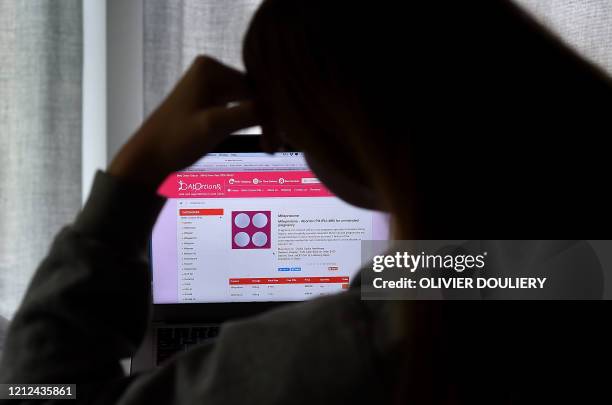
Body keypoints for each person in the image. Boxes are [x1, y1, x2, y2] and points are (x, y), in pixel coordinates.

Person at [1, 0, 610, 403]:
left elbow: (41, 392)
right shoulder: (557, 264)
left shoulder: (382, 340)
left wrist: (137, 173)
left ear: (350, 138)